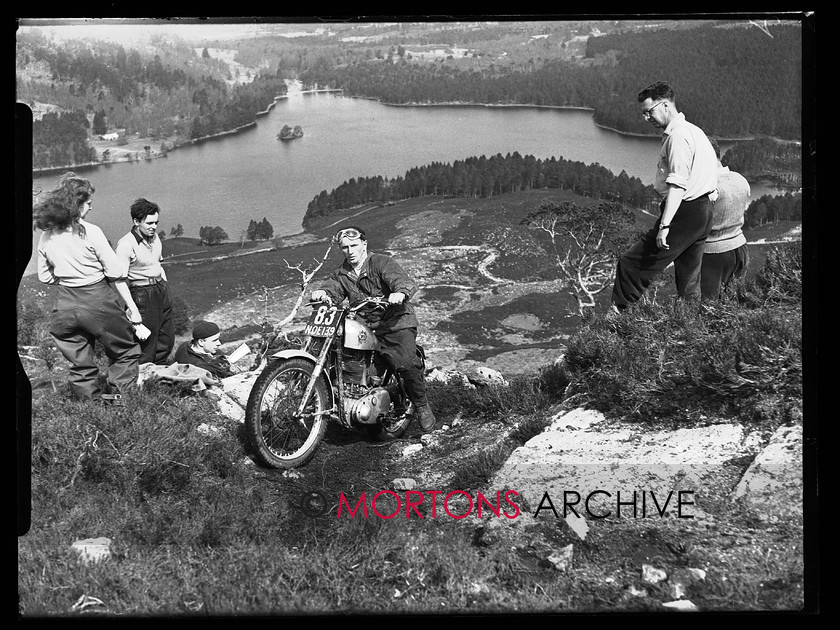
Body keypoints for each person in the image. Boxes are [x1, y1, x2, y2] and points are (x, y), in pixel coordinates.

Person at [310, 226, 436, 433]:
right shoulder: (342, 273)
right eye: (344, 247)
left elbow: (401, 281)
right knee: (347, 361)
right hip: (366, 328)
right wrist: (323, 293)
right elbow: (333, 288)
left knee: (405, 362)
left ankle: (421, 405)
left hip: (395, 323)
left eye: (353, 245)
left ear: (364, 245)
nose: (349, 251)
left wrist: (400, 293)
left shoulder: (380, 262)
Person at [33, 172, 142, 403]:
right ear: (76, 205)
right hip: (96, 298)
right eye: (88, 204)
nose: (90, 208)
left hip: (64, 304)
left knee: (79, 359)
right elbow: (116, 272)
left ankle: (88, 405)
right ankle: (122, 402)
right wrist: (92, 274)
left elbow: (44, 276)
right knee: (125, 350)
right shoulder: (91, 231)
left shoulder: (47, 235)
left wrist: (67, 277)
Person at [611, 81, 719, 311]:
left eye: (648, 112)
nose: (646, 118)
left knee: (631, 263)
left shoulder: (678, 137)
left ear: (666, 106)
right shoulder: (694, 131)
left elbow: (678, 185)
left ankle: (619, 319)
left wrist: (665, 225)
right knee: (689, 274)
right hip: (703, 211)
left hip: (685, 211)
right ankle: (691, 321)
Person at [115, 198, 174, 364]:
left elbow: (158, 265)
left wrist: (166, 288)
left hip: (160, 289)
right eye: (149, 223)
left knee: (166, 339)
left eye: (156, 222)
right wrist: (133, 310)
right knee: (147, 344)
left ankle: (159, 378)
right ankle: (143, 382)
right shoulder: (126, 245)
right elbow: (119, 281)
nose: (154, 227)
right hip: (142, 294)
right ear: (136, 221)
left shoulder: (155, 238)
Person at [701, 138, 750, 299]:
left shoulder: (707, 186)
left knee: (709, 306)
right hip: (740, 247)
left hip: (714, 253)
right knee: (731, 304)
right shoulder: (740, 179)